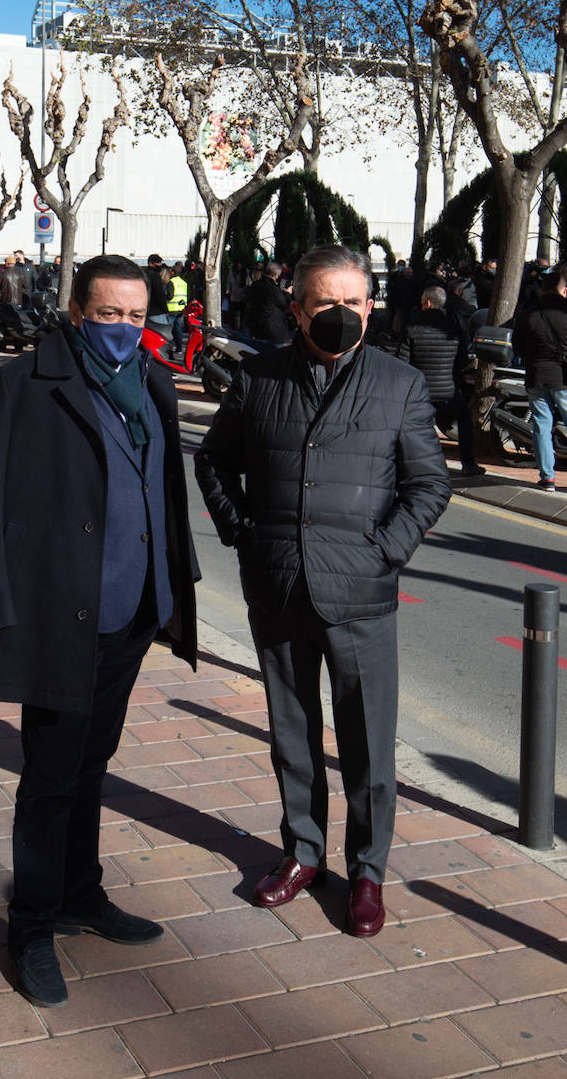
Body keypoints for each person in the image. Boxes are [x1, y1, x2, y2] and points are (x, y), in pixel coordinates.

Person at [0, 253, 199, 1008]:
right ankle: (30, 925)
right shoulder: (22, 385)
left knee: (95, 761)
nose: (126, 329)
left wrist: (174, 585)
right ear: (76, 312)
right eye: (109, 315)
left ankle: (80, 894)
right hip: (60, 614)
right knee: (51, 774)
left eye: (137, 315)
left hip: (132, 610)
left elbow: (163, 490)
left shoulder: (154, 382)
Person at [195, 244, 450, 938]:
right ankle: (303, 854)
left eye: (354, 302)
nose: (342, 314)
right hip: (278, 587)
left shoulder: (398, 384)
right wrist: (246, 538)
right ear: (297, 307)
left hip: (360, 594)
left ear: (370, 306)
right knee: (292, 735)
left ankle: (367, 873)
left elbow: (429, 482)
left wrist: (386, 550)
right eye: (326, 303)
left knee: (368, 744)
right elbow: (214, 461)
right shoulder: (259, 378)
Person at [397, 285, 484, 477]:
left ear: (427, 303)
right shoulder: (455, 328)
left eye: (421, 303)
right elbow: (462, 361)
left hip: (420, 392)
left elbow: (402, 364)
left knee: (416, 427)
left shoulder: (411, 328)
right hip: (448, 390)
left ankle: (419, 465)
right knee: (464, 419)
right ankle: (468, 463)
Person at [512, 264, 567, 491]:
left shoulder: (528, 314)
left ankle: (548, 478)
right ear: (563, 290)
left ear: (542, 289)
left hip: (536, 376)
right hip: (563, 377)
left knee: (541, 427)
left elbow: (518, 348)